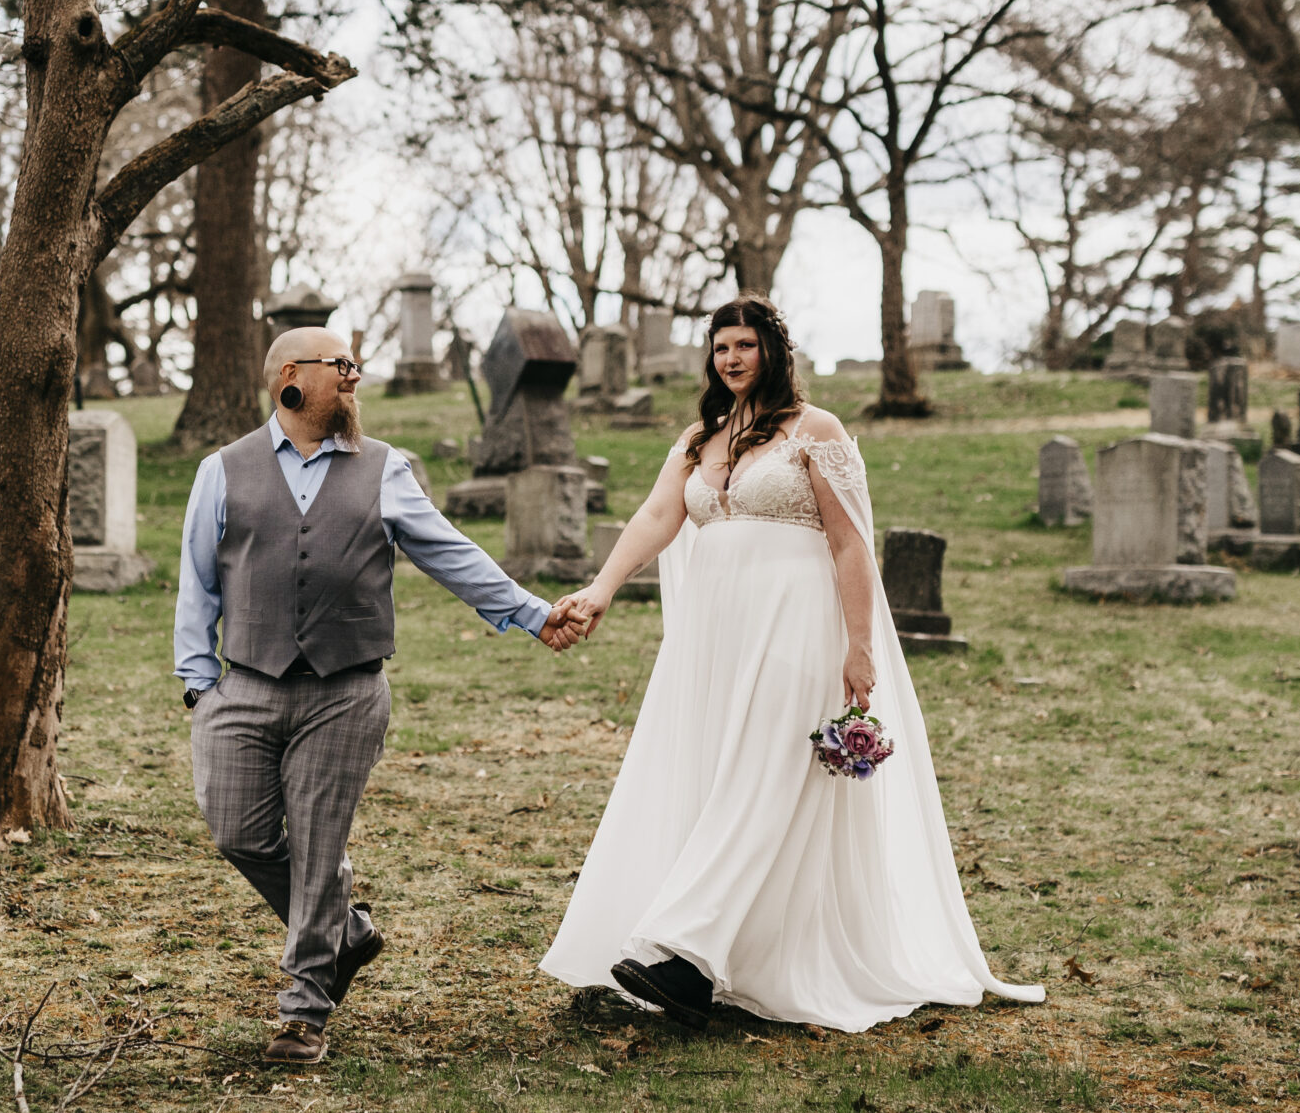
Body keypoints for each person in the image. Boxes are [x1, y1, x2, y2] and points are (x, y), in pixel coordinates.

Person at [538, 294, 1043, 1031]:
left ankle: (684, 950)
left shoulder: (818, 431)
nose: (732, 358)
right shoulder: (699, 439)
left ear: (775, 351)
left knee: (767, 776)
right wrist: (601, 588)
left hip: (798, 627)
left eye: (745, 344)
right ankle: (734, 952)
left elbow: (850, 542)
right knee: (720, 778)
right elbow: (655, 517)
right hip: (716, 640)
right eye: (720, 348)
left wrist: (860, 645)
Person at [176, 326, 584, 1066]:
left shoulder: (385, 468)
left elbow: (450, 552)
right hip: (245, 684)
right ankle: (349, 932)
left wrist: (531, 612)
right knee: (238, 830)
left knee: (317, 841)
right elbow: (197, 579)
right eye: (343, 366)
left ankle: (303, 1011)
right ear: (291, 378)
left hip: (347, 689)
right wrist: (200, 684)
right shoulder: (222, 470)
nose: (355, 378)